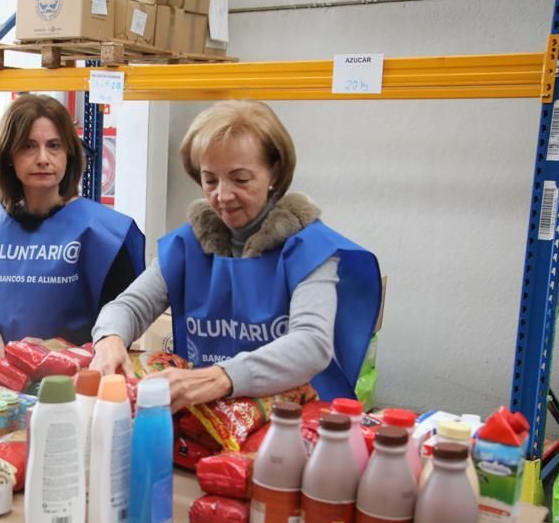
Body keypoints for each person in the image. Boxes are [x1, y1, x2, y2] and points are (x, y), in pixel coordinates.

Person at [89, 100, 381, 409]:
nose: (222, 195)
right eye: (210, 180)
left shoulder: (310, 250)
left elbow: (311, 344)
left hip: (290, 426)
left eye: (240, 179)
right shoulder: (187, 247)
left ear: (275, 173)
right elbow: (131, 306)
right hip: (209, 423)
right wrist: (109, 339)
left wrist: (220, 377)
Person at [0, 93, 145, 361]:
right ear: (8, 156)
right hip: (7, 376)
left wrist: (62, 348)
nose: (43, 158)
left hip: (84, 377)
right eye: (28, 146)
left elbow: (125, 317)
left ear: (69, 153)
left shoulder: (107, 234)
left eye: (54, 145)